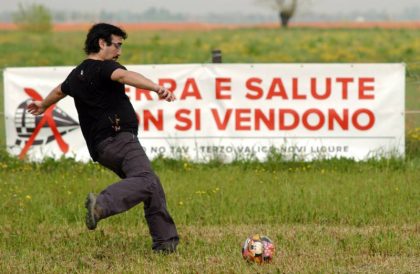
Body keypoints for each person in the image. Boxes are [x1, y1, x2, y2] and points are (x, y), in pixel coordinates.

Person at [27, 23, 179, 253]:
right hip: (120, 139)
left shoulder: (77, 74)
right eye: (116, 45)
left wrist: (43, 104)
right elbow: (124, 75)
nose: (119, 52)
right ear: (101, 43)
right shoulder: (105, 68)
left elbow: (60, 90)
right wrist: (156, 88)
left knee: (151, 185)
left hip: (102, 149)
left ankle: (165, 244)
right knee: (147, 180)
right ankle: (101, 205)